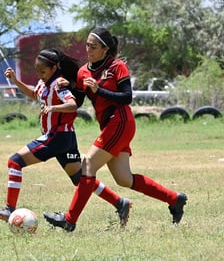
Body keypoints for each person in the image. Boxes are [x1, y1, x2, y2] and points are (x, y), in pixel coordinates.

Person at [43, 28, 187, 232]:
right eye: (87, 45)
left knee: (88, 166)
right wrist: (71, 87)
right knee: (124, 178)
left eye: (93, 46)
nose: (88, 49)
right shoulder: (84, 71)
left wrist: (99, 90)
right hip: (112, 125)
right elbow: (80, 99)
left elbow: (127, 97)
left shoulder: (117, 66)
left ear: (105, 49)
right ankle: (174, 199)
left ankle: (69, 219)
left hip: (120, 122)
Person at [0, 48, 131, 227]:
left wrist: (54, 108)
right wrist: (16, 81)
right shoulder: (43, 83)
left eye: (43, 71)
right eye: (37, 71)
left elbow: (72, 105)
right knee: (81, 179)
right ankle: (120, 202)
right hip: (67, 140)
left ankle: (9, 208)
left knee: (14, 162)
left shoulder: (59, 84)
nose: (40, 75)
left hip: (56, 137)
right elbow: (35, 94)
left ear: (54, 68)